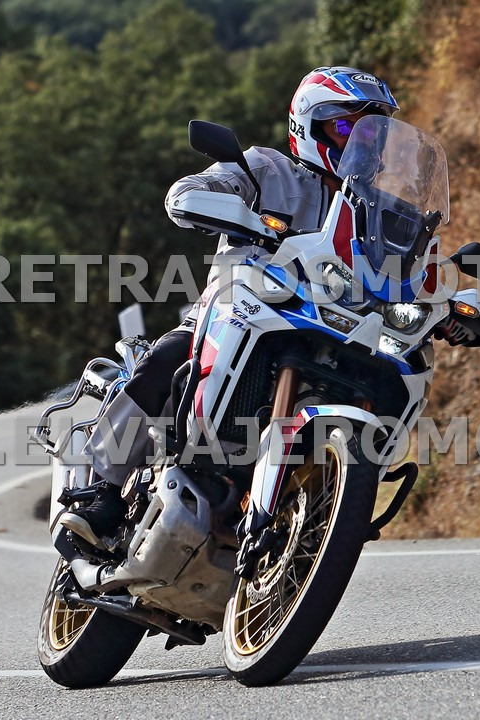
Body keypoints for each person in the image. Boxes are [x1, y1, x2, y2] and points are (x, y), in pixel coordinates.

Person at [59, 66, 400, 549]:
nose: (363, 143)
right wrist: (231, 212)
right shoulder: (266, 169)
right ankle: (101, 491)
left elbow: (412, 270)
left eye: (374, 134)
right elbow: (185, 193)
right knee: (167, 360)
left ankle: (325, 507)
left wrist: (447, 303)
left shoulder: (379, 212)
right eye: (347, 127)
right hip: (235, 314)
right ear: (309, 125)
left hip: (331, 332)